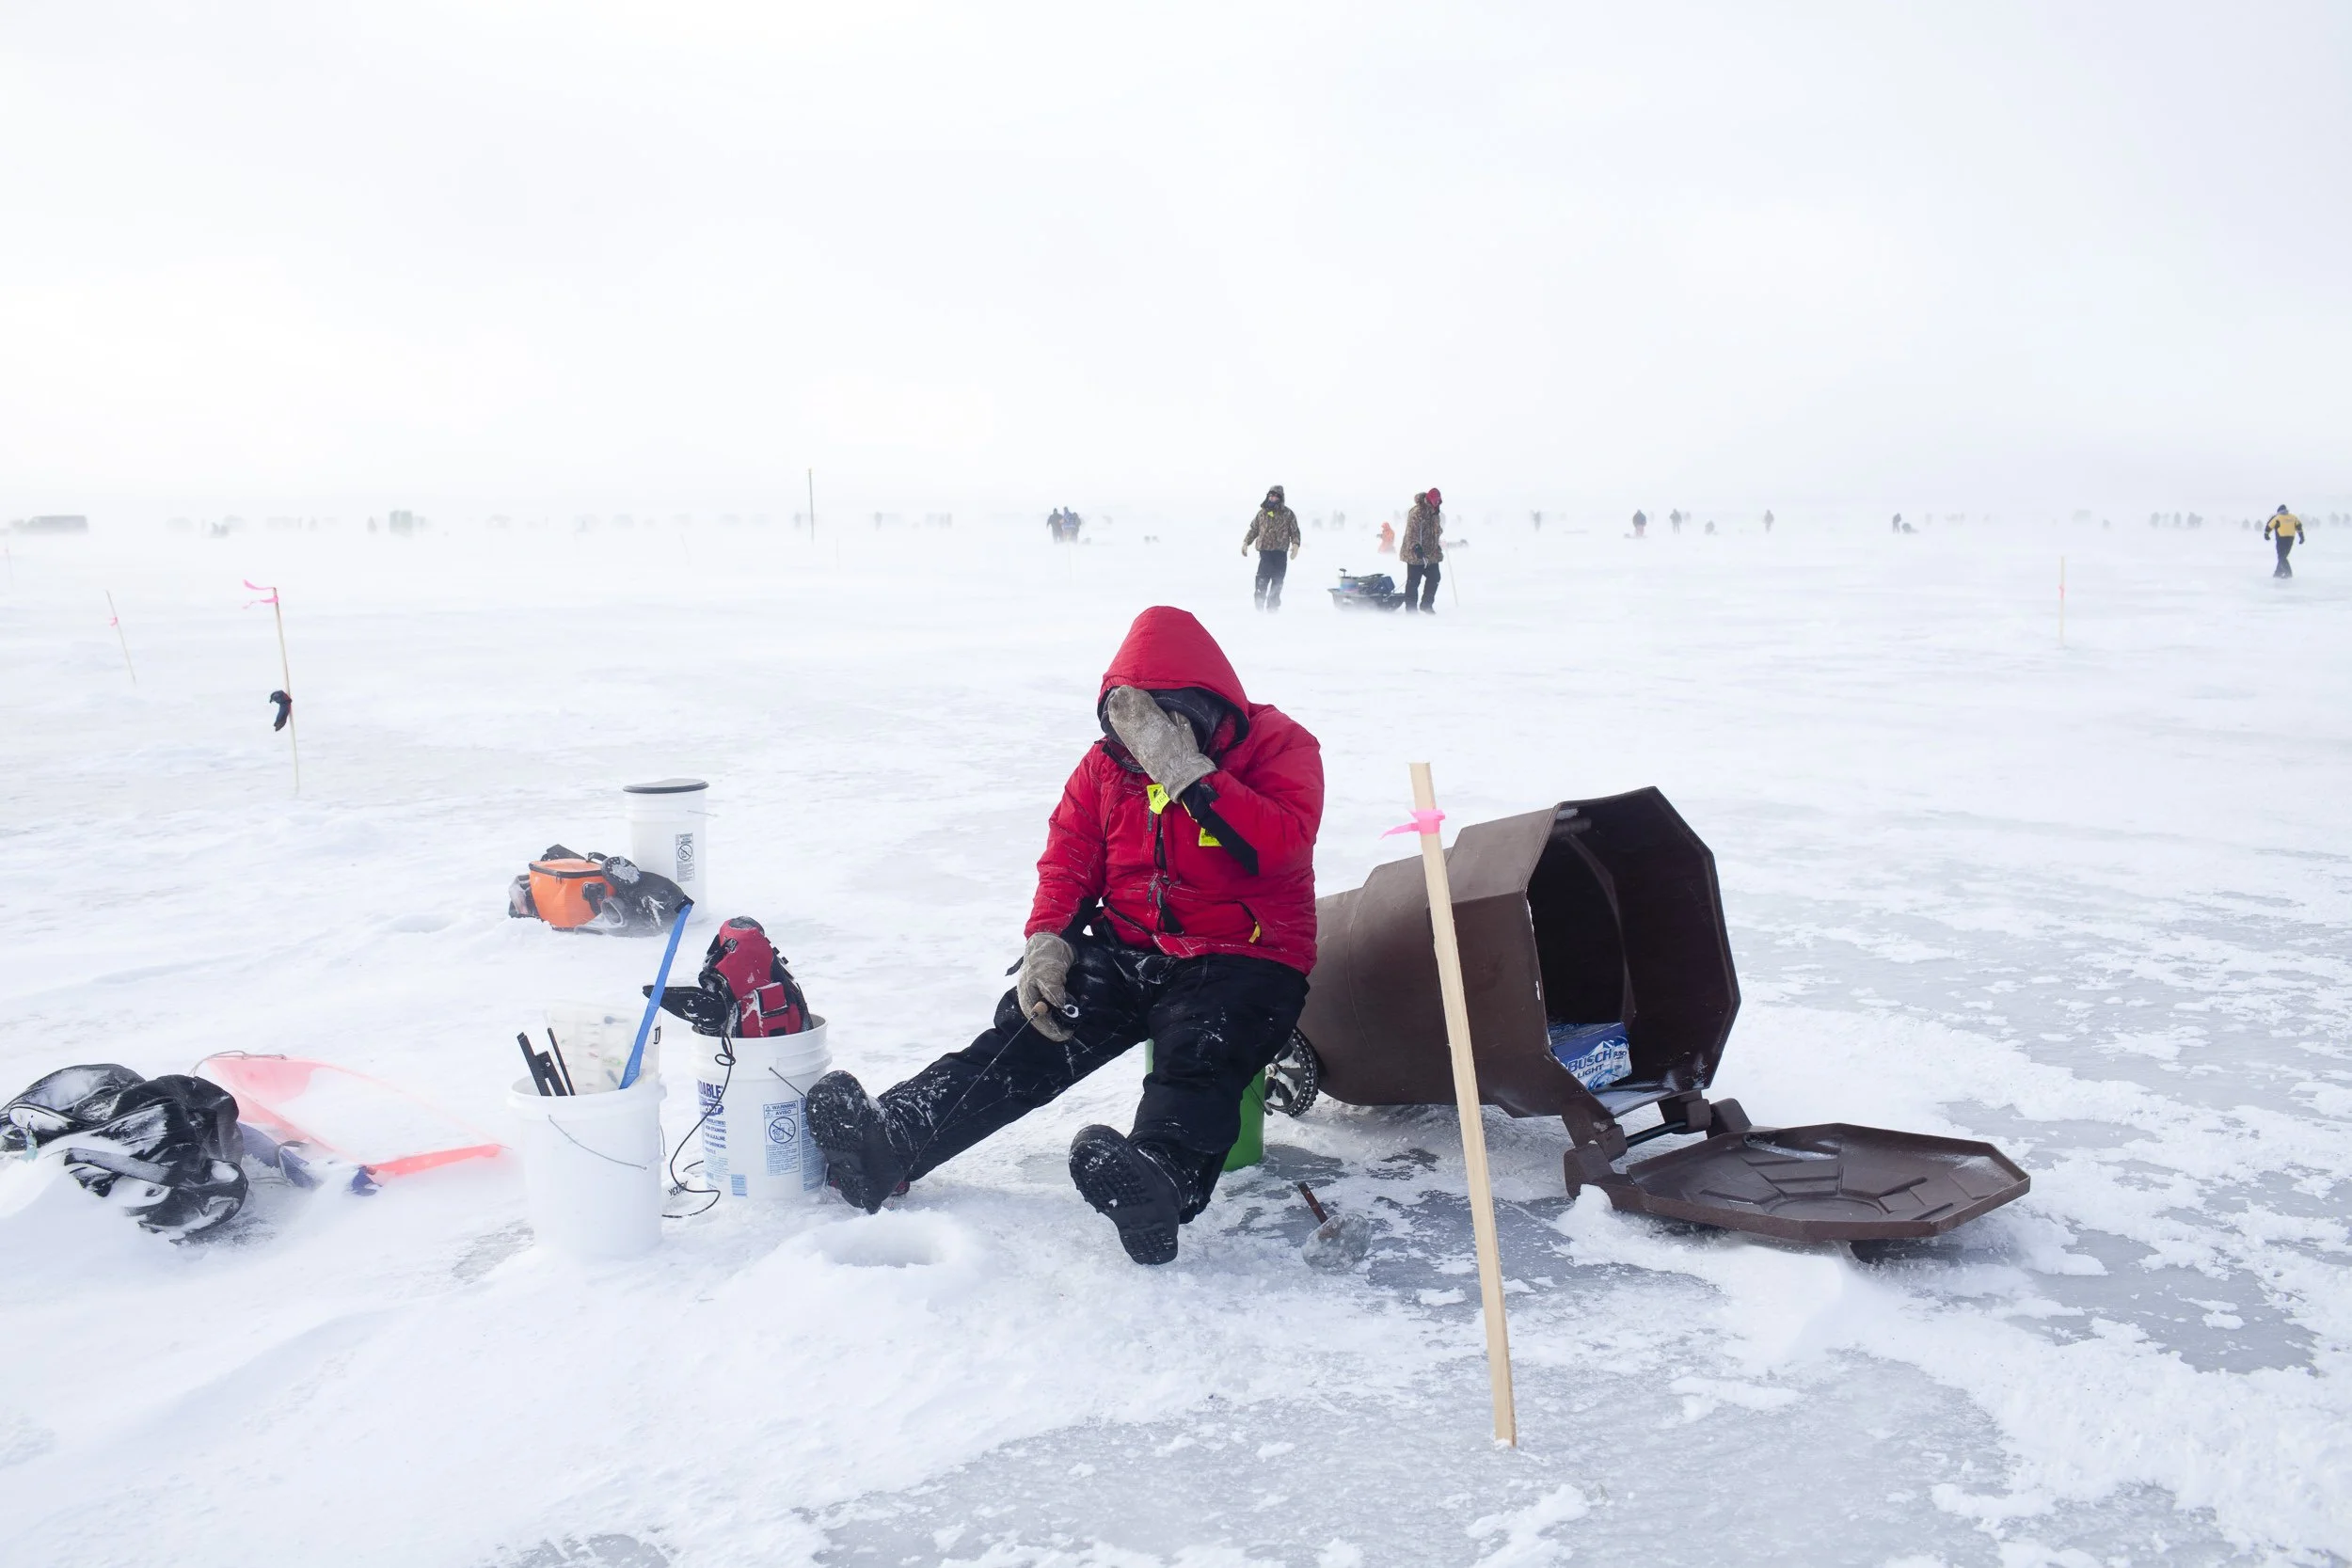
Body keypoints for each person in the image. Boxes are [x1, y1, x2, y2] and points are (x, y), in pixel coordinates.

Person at [805, 607, 1323, 1266]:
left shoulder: (1279, 745)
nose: (1141, 748)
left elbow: (1277, 847)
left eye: (1160, 726)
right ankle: (893, 1142)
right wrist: (1047, 938)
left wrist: (1189, 774)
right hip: (1134, 943)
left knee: (1202, 1054)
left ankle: (1160, 1177)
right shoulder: (1107, 768)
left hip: (1245, 955)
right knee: (1030, 1030)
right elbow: (1070, 854)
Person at [1240, 484, 1302, 610]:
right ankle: (1259, 607)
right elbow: (1254, 529)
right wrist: (1246, 542)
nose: (1272, 498)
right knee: (1262, 580)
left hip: (1280, 553)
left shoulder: (1288, 514)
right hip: (1265, 552)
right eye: (1270, 496)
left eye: (1275, 496)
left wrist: (1295, 545)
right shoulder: (1262, 513)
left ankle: (1273, 609)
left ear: (1280, 498)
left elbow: (1295, 532)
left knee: (1277, 581)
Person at [1400, 488, 1444, 612]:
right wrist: (1416, 547)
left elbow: (1436, 530)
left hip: (1431, 552)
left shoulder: (1435, 513)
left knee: (1435, 577)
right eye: (1435, 500)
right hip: (1415, 552)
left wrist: (1438, 541)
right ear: (1429, 499)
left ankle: (1426, 605)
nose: (1437, 503)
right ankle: (1411, 609)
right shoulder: (1417, 512)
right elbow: (1411, 533)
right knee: (1413, 581)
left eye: (1438, 500)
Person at [2265, 505, 2304, 578]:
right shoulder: (2293, 517)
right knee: (2283, 556)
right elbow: (2299, 527)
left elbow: (2269, 526)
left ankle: (2288, 573)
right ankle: (2278, 572)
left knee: (2281, 557)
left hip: (2281, 539)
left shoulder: (2277, 517)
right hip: (2290, 539)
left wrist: (2266, 534)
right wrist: (2301, 537)